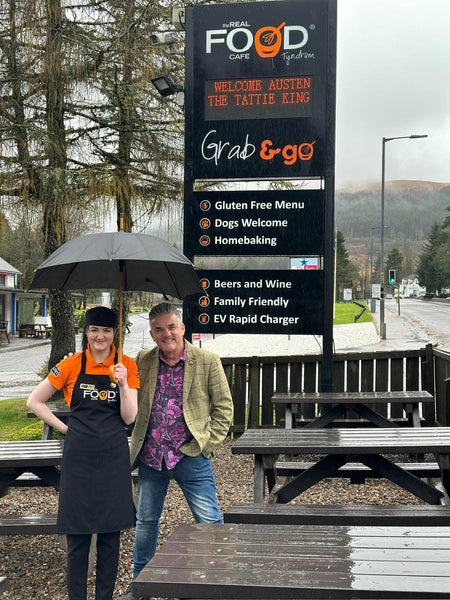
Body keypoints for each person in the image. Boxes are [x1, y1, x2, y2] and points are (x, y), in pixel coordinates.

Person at [119, 302, 233, 600]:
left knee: (209, 521)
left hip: (190, 455)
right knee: (145, 523)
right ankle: (139, 585)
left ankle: (217, 581)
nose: (165, 333)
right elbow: (120, 393)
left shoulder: (207, 361)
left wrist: (207, 444)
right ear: (152, 333)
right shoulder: (142, 360)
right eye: (158, 329)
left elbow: (224, 407)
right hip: (150, 456)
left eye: (171, 327)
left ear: (182, 328)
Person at [27, 306, 139, 600]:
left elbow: (129, 418)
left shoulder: (126, 364)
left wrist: (124, 383)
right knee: (77, 535)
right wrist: (64, 428)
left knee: (110, 536)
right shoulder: (70, 365)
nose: (99, 336)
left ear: (115, 333)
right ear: (85, 332)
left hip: (113, 455)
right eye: (93, 330)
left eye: (106, 330)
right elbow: (34, 401)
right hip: (79, 456)